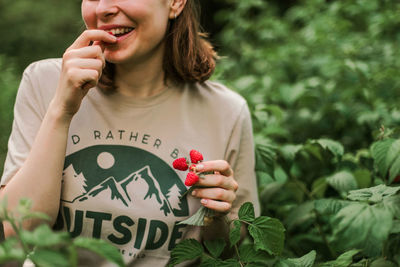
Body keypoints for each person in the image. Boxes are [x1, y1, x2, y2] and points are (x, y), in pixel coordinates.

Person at [0, 0, 260, 265]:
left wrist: (217, 216)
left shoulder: (226, 112)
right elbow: (17, 234)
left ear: (175, 3)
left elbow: (230, 250)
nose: (103, 8)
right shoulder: (45, 82)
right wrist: (61, 110)